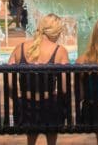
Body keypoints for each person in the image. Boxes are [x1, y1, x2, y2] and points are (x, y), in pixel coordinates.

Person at [8, 13, 70, 145]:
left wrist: (18, 99)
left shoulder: (20, 48)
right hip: (50, 110)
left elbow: (9, 84)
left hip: (25, 110)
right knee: (56, 104)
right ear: (56, 33)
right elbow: (64, 89)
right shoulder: (60, 51)